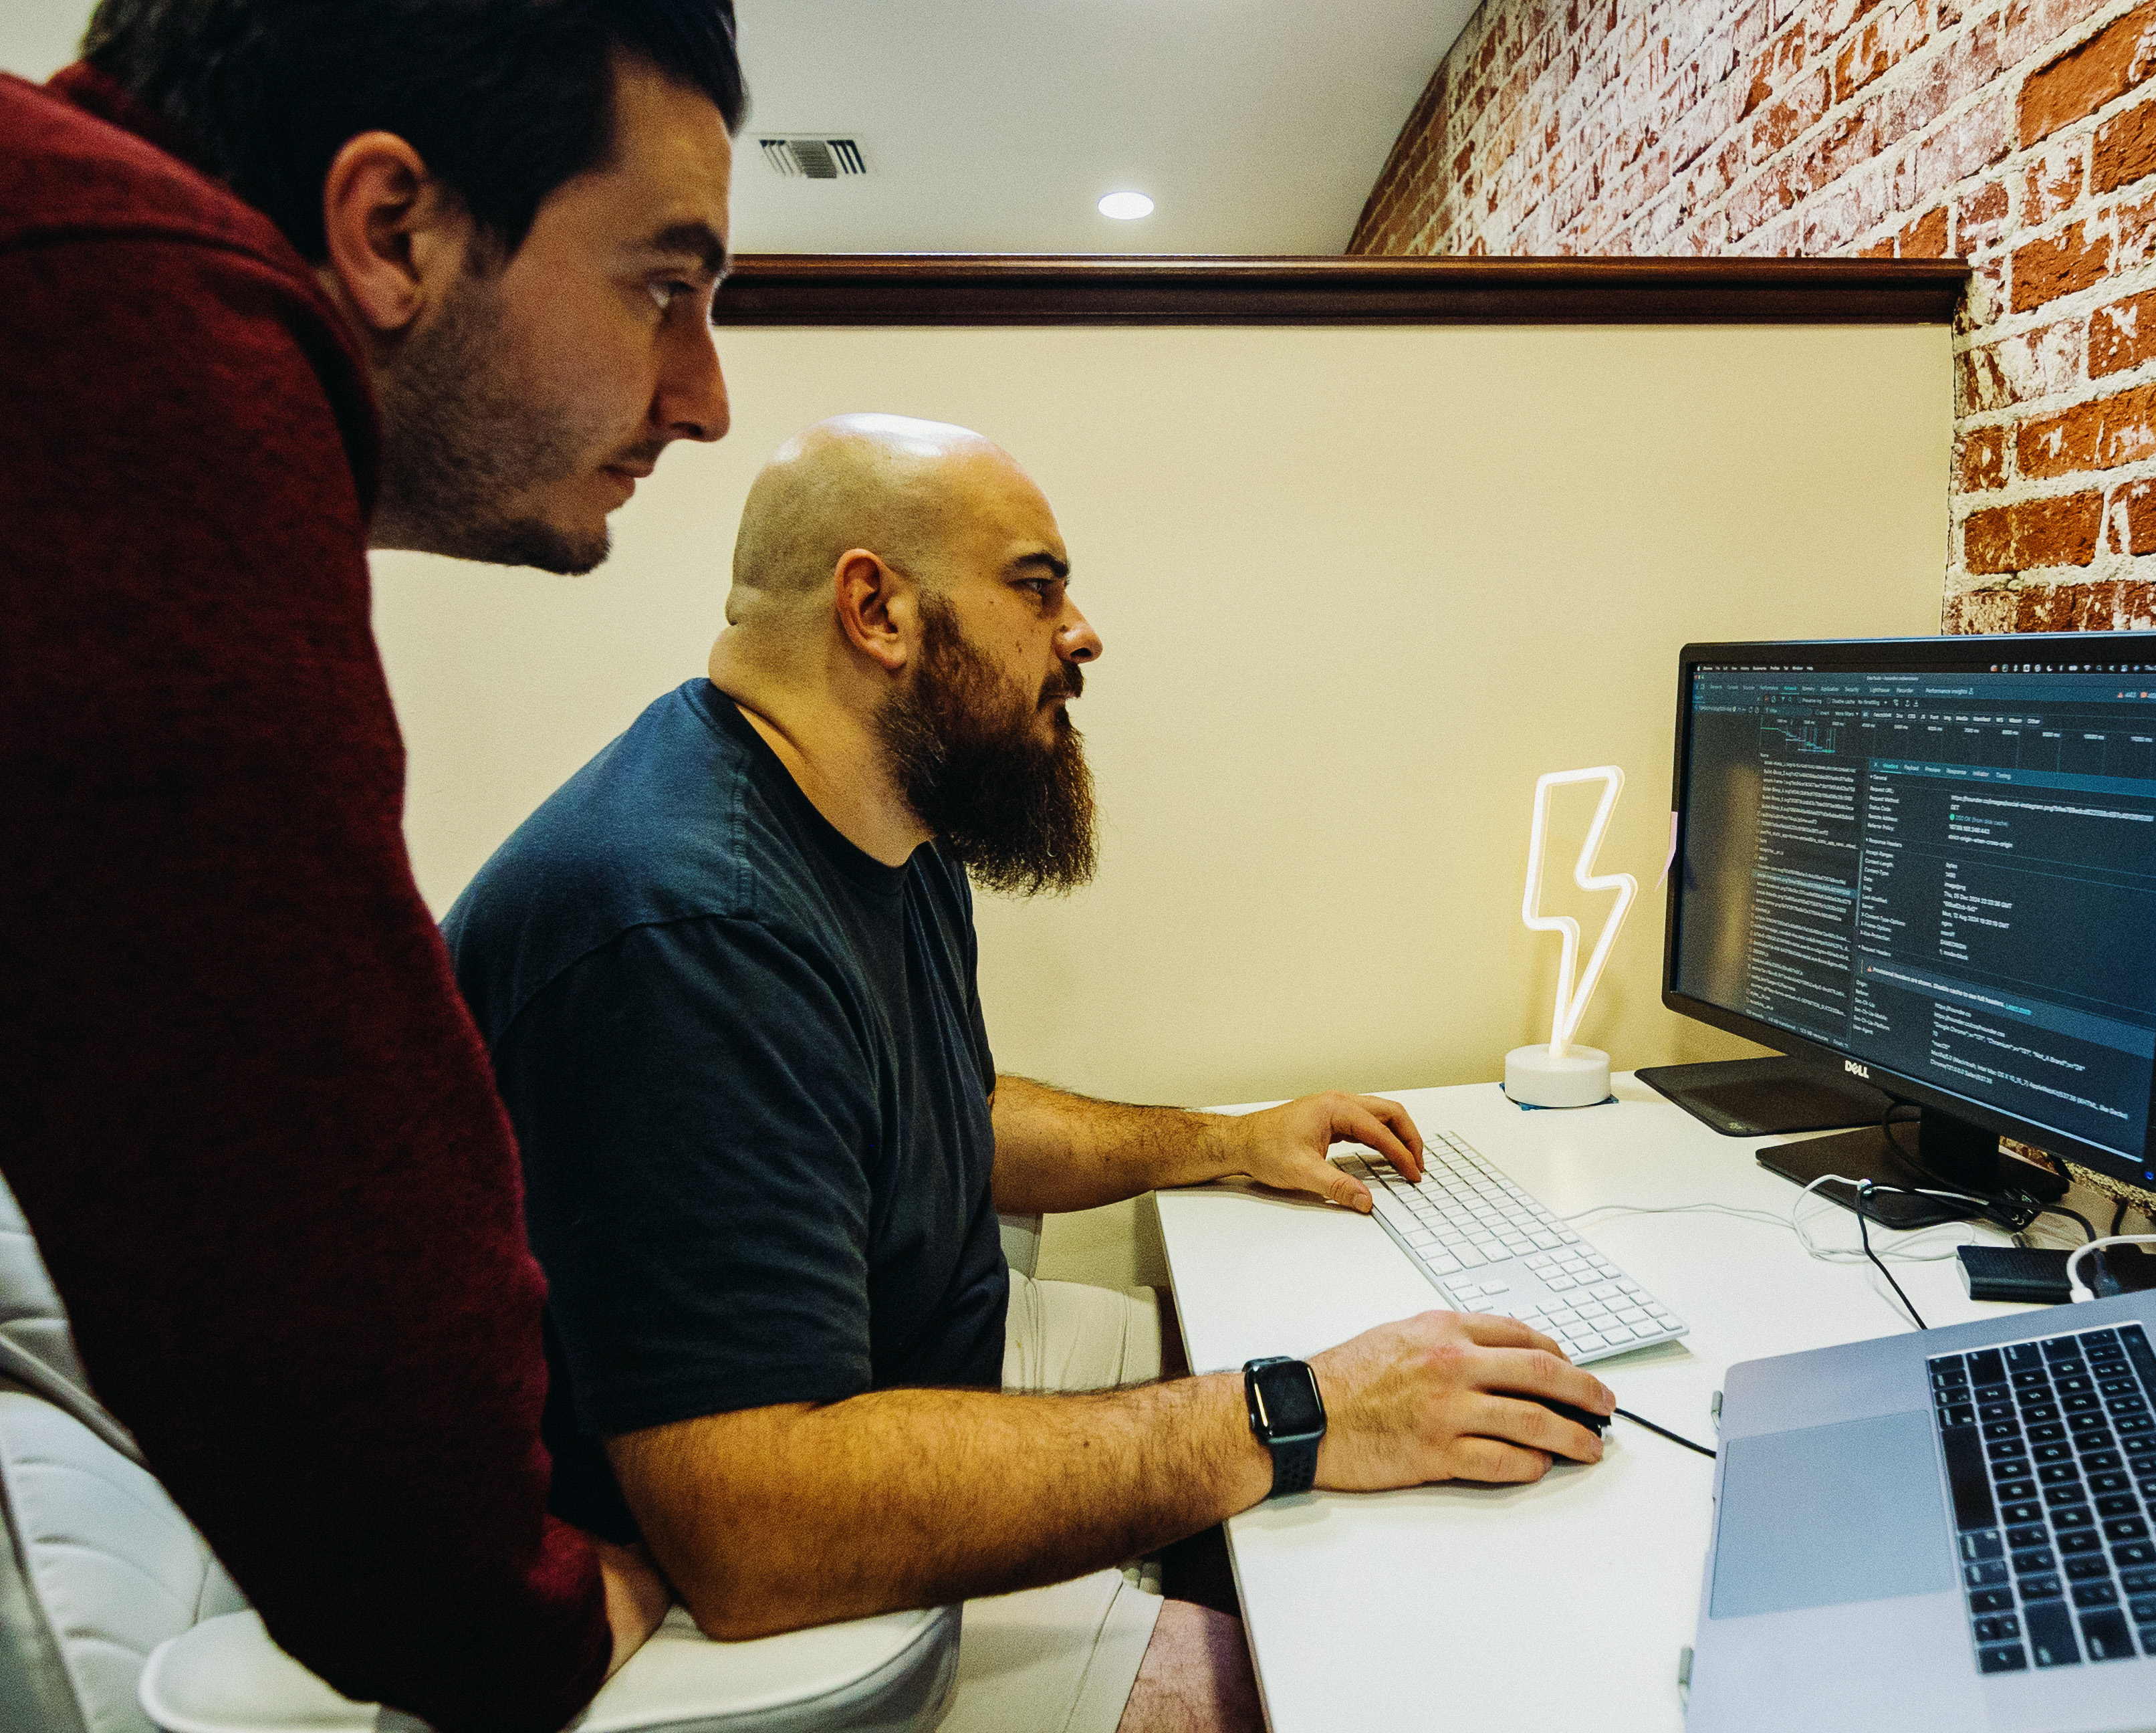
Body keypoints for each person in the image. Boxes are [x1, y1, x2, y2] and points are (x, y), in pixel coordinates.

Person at [439, 415, 1618, 1732]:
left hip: (889, 1422)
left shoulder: (879, 822)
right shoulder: (687, 928)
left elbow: (939, 1113)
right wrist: (1303, 1411)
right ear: (877, 609)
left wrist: (1222, 1140)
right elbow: (757, 1536)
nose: (1085, 634)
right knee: (1320, 1685)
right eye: (1038, 587)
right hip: (742, 1600)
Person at [0, 4, 741, 1728]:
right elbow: (294, 1140)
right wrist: (538, 1610)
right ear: (392, 227)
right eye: (664, 283)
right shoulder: (123, 298)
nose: (701, 398)